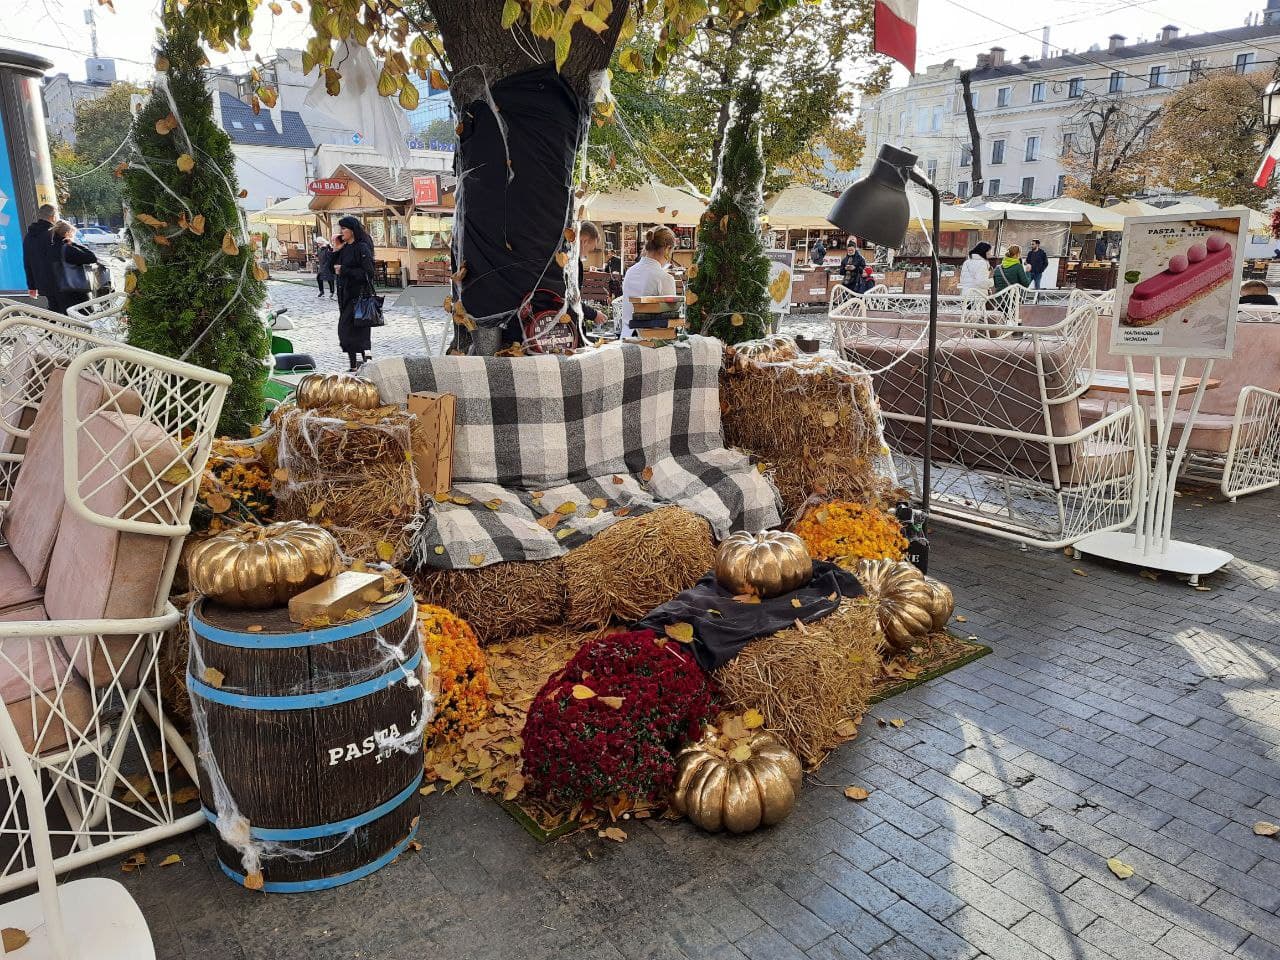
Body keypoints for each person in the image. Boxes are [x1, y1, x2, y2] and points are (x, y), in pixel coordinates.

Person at [333, 215, 376, 371]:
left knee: (359, 331)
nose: (341, 232)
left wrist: (345, 270)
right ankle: (353, 364)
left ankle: (367, 362)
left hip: (359, 296)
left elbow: (368, 273)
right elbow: (328, 268)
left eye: (344, 229)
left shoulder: (362, 247)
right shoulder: (345, 248)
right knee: (346, 332)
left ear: (352, 230)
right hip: (345, 296)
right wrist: (335, 250)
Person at [618, 227, 677, 339]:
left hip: (626, 338)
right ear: (667, 249)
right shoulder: (664, 278)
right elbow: (670, 321)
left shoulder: (630, 271)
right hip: (651, 343)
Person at [49, 220, 99, 314]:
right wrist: (73, 244)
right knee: (86, 318)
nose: (73, 237)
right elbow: (92, 257)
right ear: (67, 234)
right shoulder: (68, 249)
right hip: (75, 292)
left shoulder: (50, 248)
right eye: (73, 234)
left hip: (57, 292)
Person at [23, 203, 58, 304]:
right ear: (54, 216)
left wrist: (31, 286)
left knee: (54, 309)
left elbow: (27, 263)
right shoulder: (53, 234)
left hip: (42, 282)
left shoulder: (29, 236)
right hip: (59, 282)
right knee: (66, 312)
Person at [576, 220, 602, 327]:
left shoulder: (570, 258)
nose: (588, 253)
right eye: (590, 250)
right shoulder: (573, 262)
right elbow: (571, 299)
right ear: (585, 241)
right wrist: (593, 314)